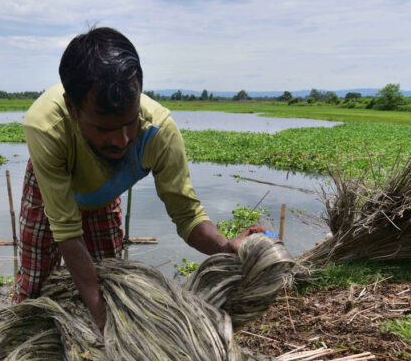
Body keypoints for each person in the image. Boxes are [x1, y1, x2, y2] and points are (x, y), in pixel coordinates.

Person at [14, 27, 265, 329]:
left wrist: (227, 247)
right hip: (48, 194)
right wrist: (105, 323)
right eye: (104, 129)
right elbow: (66, 230)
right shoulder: (46, 127)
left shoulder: (159, 132)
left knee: (108, 280)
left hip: (101, 196)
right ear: (72, 109)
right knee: (34, 280)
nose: (121, 141)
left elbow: (188, 215)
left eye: (129, 123)